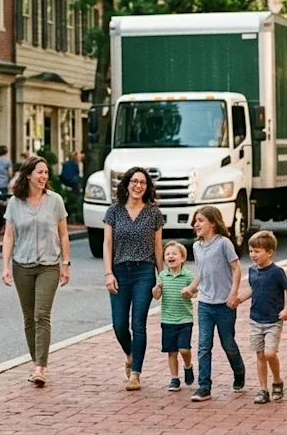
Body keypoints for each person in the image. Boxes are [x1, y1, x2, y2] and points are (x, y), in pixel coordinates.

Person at [1, 156, 72, 387]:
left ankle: (41, 367)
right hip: (22, 264)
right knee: (29, 317)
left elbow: (63, 234)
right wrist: (5, 267)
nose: (43, 177)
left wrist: (66, 263)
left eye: (46, 173)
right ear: (28, 175)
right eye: (39, 172)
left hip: (49, 264)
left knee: (42, 315)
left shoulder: (55, 201)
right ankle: (36, 362)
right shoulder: (15, 202)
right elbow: (9, 235)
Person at [103, 166, 164, 391]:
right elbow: (107, 244)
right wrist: (108, 273)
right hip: (119, 271)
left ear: (147, 187)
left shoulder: (153, 213)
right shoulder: (114, 211)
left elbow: (158, 248)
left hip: (144, 272)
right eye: (134, 181)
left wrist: (162, 277)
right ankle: (130, 354)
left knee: (138, 324)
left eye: (143, 183)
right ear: (127, 184)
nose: (138, 186)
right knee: (119, 325)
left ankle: (136, 373)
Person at [183, 205, 245, 402]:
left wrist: (233, 293)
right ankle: (204, 387)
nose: (196, 224)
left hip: (225, 305)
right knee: (203, 345)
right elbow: (202, 272)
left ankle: (239, 371)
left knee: (228, 344)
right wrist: (192, 288)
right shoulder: (196, 247)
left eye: (200, 220)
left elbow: (237, 268)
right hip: (205, 304)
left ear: (213, 222)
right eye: (195, 221)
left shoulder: (224, 243)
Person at [238, 230, 287, 405]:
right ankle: (263, 389)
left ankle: (277, 380)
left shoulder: (277, 272)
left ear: (269, 252)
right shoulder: (252, 271)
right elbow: (253, 289)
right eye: (251, 251)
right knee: (260, 355)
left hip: (273, 320)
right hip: (255, 319)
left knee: (270, 353)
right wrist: (240, 298)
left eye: (257, 251)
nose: (253, 255)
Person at [152, 241, 195, 392]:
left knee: (184, 349)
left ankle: (188, 366)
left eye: (174, 254)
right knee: (172, 351)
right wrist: (157, 288)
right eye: (167, 254)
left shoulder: (188, 275)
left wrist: (190, 292)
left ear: (182, 258)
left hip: (185, 319)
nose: (170, 256)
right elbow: (157, 296)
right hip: (168, 320)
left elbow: (195, 292)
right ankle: (174, 378)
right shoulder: (163, 276)